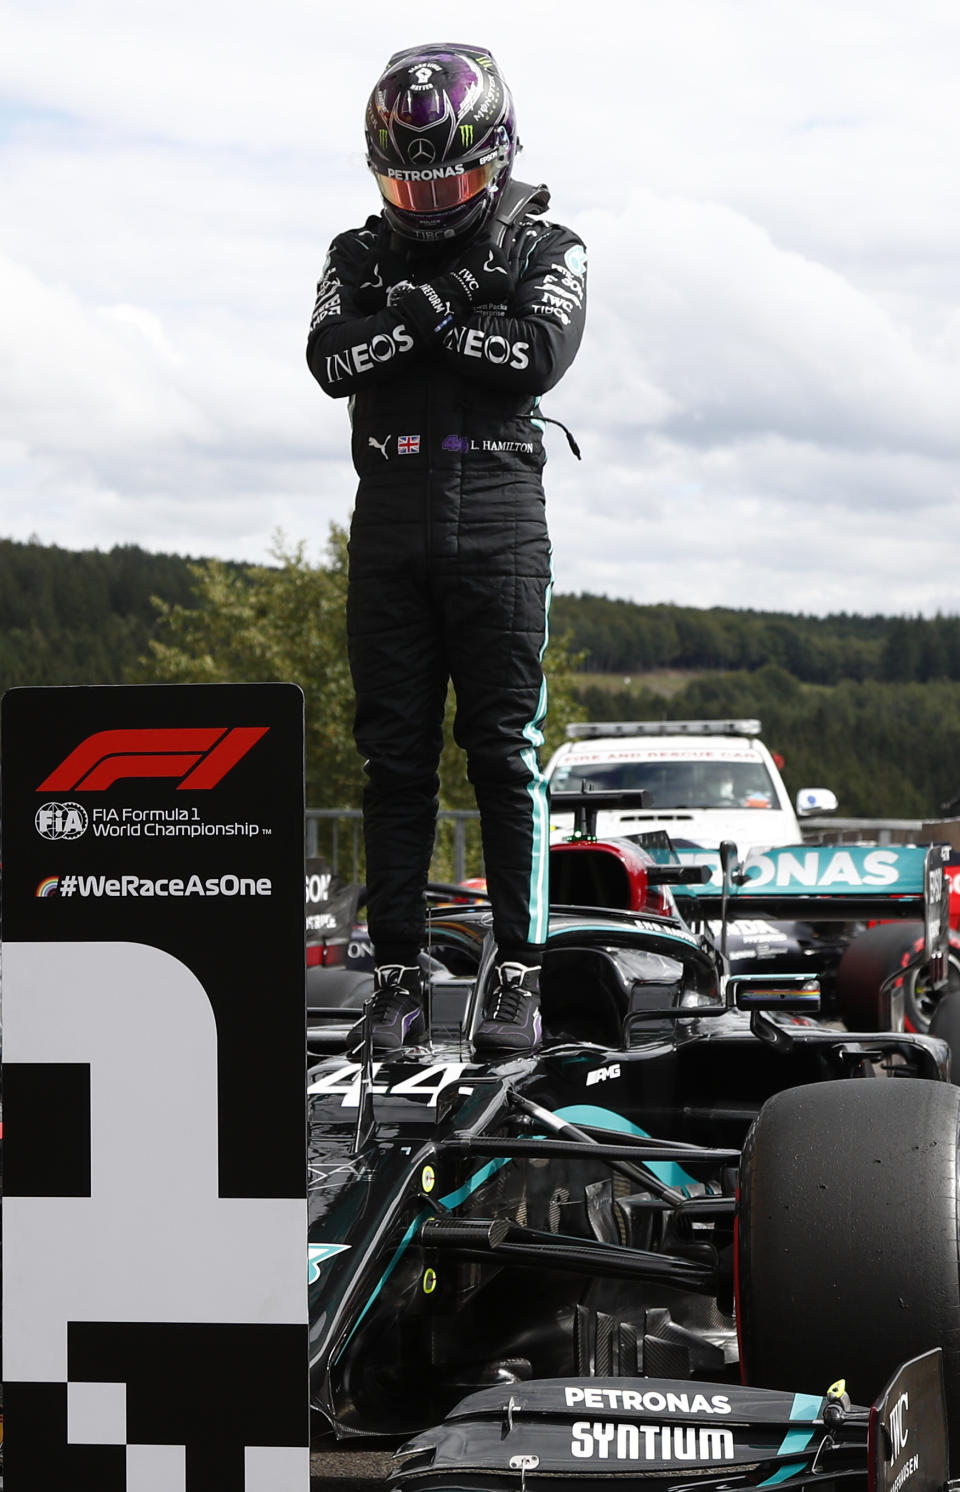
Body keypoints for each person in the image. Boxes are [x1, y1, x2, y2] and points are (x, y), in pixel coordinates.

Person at [306, 41, 587, 1054]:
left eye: (455, 182)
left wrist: (419, 317)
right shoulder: (355, 255)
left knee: (504, 755)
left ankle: (518, 973)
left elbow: (535, 357)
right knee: (394, 764)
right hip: (391, 519)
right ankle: (395, 980)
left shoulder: (551, 246)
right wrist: (453, 299)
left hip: (503, 521)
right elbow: (331, 360)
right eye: (410, 185)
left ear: (497, 152)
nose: (430, 204)